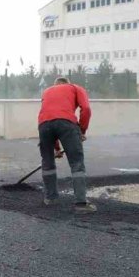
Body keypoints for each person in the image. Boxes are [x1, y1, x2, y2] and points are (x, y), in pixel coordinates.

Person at [38, 76, 95, 213]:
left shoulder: (46, 92)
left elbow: (51, 119)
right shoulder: (75, 87)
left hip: (43, 125)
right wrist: (81, 130)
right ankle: (81, 204)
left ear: (55, 84)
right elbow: (86, 109)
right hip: (66, 123)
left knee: (47, 163)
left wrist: (56, 149)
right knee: (76, 163)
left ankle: (50, 199)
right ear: (67, 83)